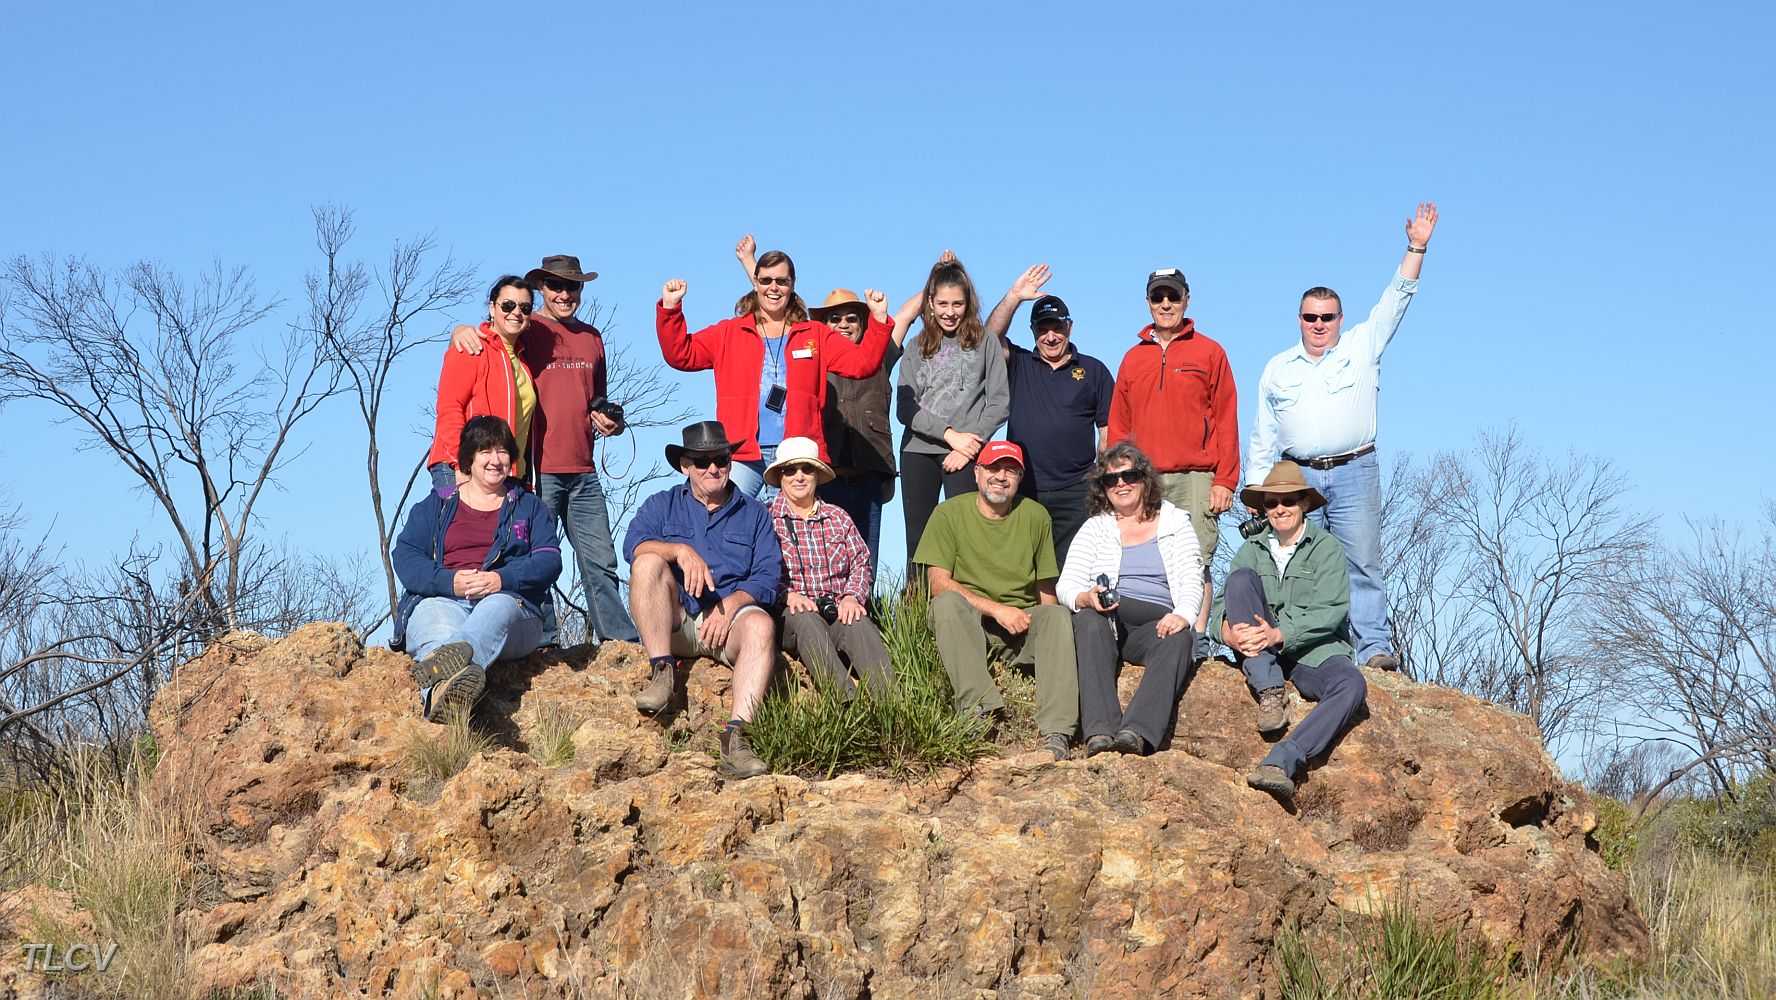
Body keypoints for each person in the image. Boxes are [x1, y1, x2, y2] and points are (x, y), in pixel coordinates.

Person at [1245, 203, 1441, 673]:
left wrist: (1417, 246)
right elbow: (1262, 434)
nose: (1319, 324)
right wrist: (1256, 491)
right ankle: (1320, 651)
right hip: (1297, 480)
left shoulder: (1361, 345)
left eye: (1328, 316)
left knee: (1362, 563)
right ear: (1298, 319)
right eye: (1311, 316)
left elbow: (1399, 296)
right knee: (1300, 567)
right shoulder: (1277, 368)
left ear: (1340, 317)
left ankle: (1373, 648)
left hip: (1355, 471)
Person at [448, 254, 639, 646]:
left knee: (601, 559)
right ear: (541, 290)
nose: (564, 293)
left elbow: (594, 398)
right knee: (536, 558)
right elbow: (491, 338)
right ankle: (544, 641)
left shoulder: (592, 338)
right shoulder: (528, 328)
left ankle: (620, 642)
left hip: (583, 468)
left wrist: (608, 421)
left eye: (573, 286)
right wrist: (460, 329)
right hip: (536, 470)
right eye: (555, 286)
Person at [658, 245, 891, 499]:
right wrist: (671, 309)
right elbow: (681, 354)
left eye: (781, 280)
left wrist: (878, 320)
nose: (773, 287)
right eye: (766, 280)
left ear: (792, 285)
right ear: (755, 283)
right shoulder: (728, 333)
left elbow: (862, 364)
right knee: (725, 521)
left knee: (792, 534)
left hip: (796, 455)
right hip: (743, 452)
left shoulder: (815, 334)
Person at [623, 421, 783, 780]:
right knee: (647, 563)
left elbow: (769, 577)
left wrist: (732, 607)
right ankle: (662, 671)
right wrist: (678, 550)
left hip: (728, 626)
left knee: (761, 625)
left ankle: (737, 739)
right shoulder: (661, 504)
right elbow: (632, 545)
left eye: (721, 459)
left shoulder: (755, 513)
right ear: (685, 466)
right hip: (676, 620)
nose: (713, 468)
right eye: (702, 461)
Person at [735, 237, 900, 569]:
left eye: (852, 317)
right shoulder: (800, 341)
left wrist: (884, 317)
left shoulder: (843, 345)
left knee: (839, 548)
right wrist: (749, 262)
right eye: (834, 317)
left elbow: (894, 328)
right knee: (744, 522)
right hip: (792, 459)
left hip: (844, 464)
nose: (842, 324)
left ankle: (851, 612)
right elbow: (771, 295)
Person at [1209, 461, 1368, 803]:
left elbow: (1332, 609)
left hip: (1315, 652)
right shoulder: (1249, 550)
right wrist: (1228, 634)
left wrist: (1279, 634)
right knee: (1239, 580)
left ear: (1305, 504)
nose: (1280, 509)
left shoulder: (1326, 548)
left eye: (1289, 501)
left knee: (1352, 684)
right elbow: (1221, 604)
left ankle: (1283, 760)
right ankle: (1269, 692)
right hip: (1262, 656)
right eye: (1271, 502)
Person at [914, 441, 1078, 760]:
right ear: (977, 473)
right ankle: (980, 711)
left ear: (1020, 477)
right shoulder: (948, 513)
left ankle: (1057, 731)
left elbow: (1045, 589)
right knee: (945, 603)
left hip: (1019, 625)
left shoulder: (1036, 516)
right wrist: (997, 610)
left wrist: (1049, 632)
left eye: (1011, 470)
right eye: (993, 468)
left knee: (1057, 616)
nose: (1001, 476)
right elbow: (938, 584)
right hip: (969, 623)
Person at [394, 416, 562, 723]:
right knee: (431, 618)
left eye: (502, 452)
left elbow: (550, 560)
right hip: (445, 600)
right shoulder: (437, 505)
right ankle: (442, 699)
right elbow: (406, 557)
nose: (495, 461)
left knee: (498, 605)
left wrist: (502, 579)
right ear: (469, 458)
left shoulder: (528, 506)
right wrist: (448, 582)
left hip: (514, 609)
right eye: (486, 451)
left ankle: (451, 660)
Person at [1106, 267, 1239, 641]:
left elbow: (1227, 418)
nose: (1166, 304)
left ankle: (1195, 639)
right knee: (1144, 558)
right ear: (1148, 303)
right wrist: (1118, 477)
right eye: (1158, 297)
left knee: (1196, 559)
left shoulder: (1211, 352)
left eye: (1173, 296)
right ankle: (1148, 635)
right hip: (1143, 478)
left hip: (1197, 476)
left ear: (1186, 300)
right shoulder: (1132, 358)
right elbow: (1118, 426)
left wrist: (1225, 479)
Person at [1056, 443, 1201, 756]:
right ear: (1103, 489)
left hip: (1155, 622)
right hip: (1110, 617)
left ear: (1144, 479)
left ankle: (1137, 731)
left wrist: (1184, 615)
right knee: (1087, 621)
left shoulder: (1175, 523)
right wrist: (1084, 597)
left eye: (1129, 475)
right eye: (1111, 480)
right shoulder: (1094, 528)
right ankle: (1099, 730)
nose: (1121, 484)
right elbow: (1066, 584)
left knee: (1180, 639)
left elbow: (1192, 579)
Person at [984, 264, 1114, 564]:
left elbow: (1108, 431)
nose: (1051, 336)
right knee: (1020, 566)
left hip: (1077, 492)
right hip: (1023, 487)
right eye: (1043, 329)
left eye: (1057, 328)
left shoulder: (1094, 370)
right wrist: (1014, 297)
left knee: (1073, 570)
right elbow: (987, 340)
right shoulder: (1018, 363)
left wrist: (1100, 480)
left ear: (1070, 327)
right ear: (1033, 331)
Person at [896, 254, 1010, 566]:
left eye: (957, 304)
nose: (950, 312)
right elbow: (905, 408)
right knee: (918, 539)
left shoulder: (985, 342)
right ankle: (917, 611)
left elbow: (999, 402)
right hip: (918, 452)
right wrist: (950, 436)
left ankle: (965, 610)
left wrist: (970, 444)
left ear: (968, 303)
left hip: (967, 454)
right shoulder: (916, 346)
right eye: (943, 304)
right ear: (929, 303)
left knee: (966, 537)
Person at [764, 437, 894, 699]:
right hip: (791, 617)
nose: (799, 477)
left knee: (858, 621)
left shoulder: (839, 516)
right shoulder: (765, 519)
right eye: (790, 470)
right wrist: (786, 595)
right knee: (804, 618)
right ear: (780, 476)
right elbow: (759, 571)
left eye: (807, 469)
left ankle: (892, 705)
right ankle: (845, 701)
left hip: (836, 611)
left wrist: (851, 596)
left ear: (816, 475)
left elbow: (861, 561)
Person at [428, 276, 538, 493]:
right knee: (460, 527)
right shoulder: (472, 347)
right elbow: (449, 409)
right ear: (492, 307)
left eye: (524, 307)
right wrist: (463, 464)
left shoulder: (523, 361)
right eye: (507, 305)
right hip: (463, 468)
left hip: (505, 473)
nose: (516, 312)